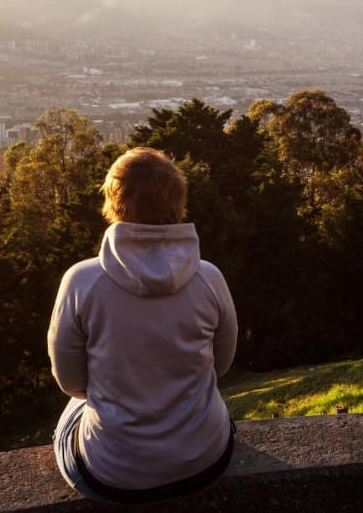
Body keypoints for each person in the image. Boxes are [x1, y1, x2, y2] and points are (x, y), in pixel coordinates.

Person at [48, 147, 238, 505]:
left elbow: (71, 383)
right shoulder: (209, 278)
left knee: (71, 413)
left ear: (112, 201)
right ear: (178, 201)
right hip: (207, 461)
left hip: (111, 474)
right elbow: (222, 364)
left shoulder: (82, 282)